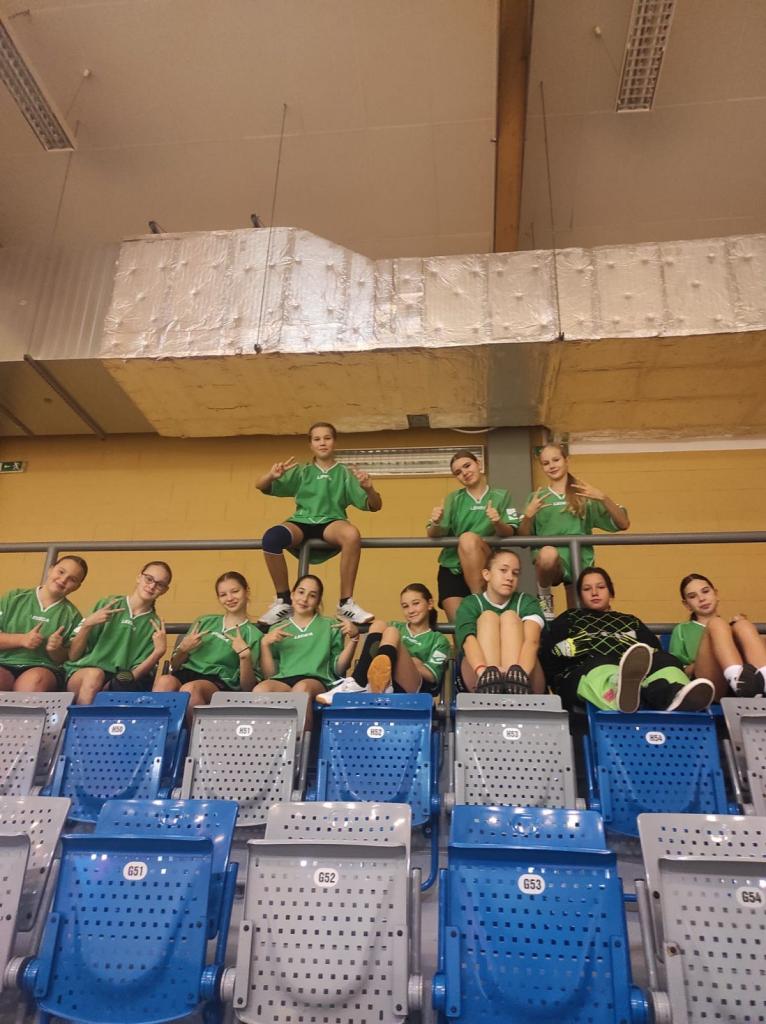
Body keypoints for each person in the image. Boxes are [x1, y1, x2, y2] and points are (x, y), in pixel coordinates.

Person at [256, 422, 383, 626]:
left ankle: (346, 603)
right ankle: (283, 601)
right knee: (271, 537)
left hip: (331, 522)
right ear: (311, 444)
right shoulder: (302, 471)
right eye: (317, 439)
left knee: (352, 534)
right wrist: (271, 476)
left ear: (334, 442)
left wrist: (369, 489)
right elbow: (261, 486)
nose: (322, 442)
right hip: (301, 521)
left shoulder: (345, 473)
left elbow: (375, 505)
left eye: (327, 438)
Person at [541, 567, 714, 713]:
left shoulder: (630, 621)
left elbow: (653, 651)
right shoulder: (570, 618)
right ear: (580, 595)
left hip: (635, 675)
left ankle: (679, 695)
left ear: (611, 591)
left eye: (601, 587)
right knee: (602, 660)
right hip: (589, 671)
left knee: (665, 659)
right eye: (587, 589)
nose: (594, 593)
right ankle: (639, 694)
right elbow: (549, 655)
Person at [516, 442, 629, 620]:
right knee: (548, 553)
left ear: (566, 460)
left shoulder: (583, 494)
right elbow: (522, 539)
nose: (552, 466)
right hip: (552, 564)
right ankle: (544, 597)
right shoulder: (537, 497)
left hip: (579, 562)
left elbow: (623, 523)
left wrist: (603, 498)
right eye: (546, 463)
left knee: (578, 619)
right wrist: (528, 516)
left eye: (556, 460)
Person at [154, 571, 263, 724]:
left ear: (246, 591)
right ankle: (156, 733)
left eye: (235, 591)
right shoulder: (205, 621)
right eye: (223, 594)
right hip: (186, 674)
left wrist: (244, 657)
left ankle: (195, 737)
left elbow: (248, 688)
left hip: (218, 683)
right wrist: (184, 649)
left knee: (191, 689)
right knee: (165, 681)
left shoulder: (254, 635)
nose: (230, 598)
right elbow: (175, 665)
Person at [427, 449, 519, 622]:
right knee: (461, 627)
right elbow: (433, 533)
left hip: (485, 565)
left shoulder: (501, 495)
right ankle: (478, 604)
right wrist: (436, 522)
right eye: (458, 472)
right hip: (453, 567)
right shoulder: (453, 499)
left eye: (467, 466)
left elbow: (511, 530)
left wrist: (497, 522)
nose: (464, 473)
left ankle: (479, 600)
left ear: (478, 463)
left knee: (468, 538)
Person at [256, 574, 360, 727]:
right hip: (284, 680)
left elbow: (338, 668)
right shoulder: (277, 628)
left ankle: (299, 741)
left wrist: (354, 639)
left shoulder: (330, 625)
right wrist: (264, 644)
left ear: (318, 601)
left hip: (316, 680)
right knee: (261, 690)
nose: (304, 599)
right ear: (292, 595)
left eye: (312, 595)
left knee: (301, 689)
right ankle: (267, 740)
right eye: (301, 592)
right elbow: (270, 675)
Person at [65, 561, 171, 705]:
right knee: (94, 675)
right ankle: (83, 719)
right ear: (139, 577)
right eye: (149, 579)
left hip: (118, 682)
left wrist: (158, 653)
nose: (152, 586)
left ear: (165, 590)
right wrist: (87, 625)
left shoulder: (155, 625)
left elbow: (132, 676)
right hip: (82, 674)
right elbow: (73, 655)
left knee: (121, 684)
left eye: (159, 584)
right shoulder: (108, 604)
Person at [454, 549, 545, 693]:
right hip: (478, 676)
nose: (510, 577)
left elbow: (531, 642)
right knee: (488, 617)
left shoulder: (527, 601)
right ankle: (490, 685)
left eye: (515, 573)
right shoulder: (470, 603)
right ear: (487, 574)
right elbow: (468, 641)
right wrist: (483, 672)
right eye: (503, 570)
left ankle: (514, 686)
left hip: (524, 677)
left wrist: (518, 675)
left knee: (510, 617)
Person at [343, 583, 452, 696]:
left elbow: (432, 676)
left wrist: (411, 662)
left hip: (414, 690)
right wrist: (355, 630)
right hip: (389, 680)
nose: (411, 610)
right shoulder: (396, 625)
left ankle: (375, 682)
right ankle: (358, 681)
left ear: (430, 604)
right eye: (405, 606)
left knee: (392, 631)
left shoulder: (438, 639)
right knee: (379, 624)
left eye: (416, 603)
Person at [670, 573, 766, 699]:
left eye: (705, 591)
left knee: (743, 625)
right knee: (716, 623)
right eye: (693, 596)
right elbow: (678, 671)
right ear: (687, 604)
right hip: (709, 685)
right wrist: (708, 657)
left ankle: (760, 683)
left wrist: (738, 636)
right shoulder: (682, 630)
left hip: (747, 682)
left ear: (715, 594)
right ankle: (737, 680)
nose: (701, 598)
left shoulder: (732, 626)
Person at [0, 555, 88, 693]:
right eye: (61, 572)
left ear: (77, 587)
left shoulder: (73, 616)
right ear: (50, 569)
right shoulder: (13, 598)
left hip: (43, 668)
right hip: (3, 662)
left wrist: (55, 650)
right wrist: (21, 639)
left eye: (72, 579)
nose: (63, 580)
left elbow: (68, 659)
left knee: (33, 682)